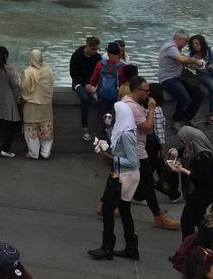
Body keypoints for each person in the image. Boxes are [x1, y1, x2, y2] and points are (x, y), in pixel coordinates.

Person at [120, 74, 179, 229]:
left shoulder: (125, 101)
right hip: (137, 149)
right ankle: (158, 215)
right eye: (146, 91)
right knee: (146, 181)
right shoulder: (134, 107)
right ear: (137, 90)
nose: (148, 94)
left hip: (127, 148)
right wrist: (151, 109)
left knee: (120, 178)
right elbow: (147, 128)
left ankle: (105, 203)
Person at [88, 101, 140, 260]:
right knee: (124, 211)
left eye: (115, 113)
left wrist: (110, 157)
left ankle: (107, 246)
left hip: (122, 176)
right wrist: (108, 124)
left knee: (108, 209)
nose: (113, 116)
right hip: (124, 175)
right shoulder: (125, 130)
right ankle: (131, 248)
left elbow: (133, 161)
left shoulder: (125, 135)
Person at [173, 126, 213, 237]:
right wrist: (174, 152)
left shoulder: (203, 156)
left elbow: (204, 179)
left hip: (202, 194)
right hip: (197, 193)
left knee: (186, 222)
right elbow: (184, 152)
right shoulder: (194, 149)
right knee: (200, 221)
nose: (182, 144)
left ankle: (187, 249)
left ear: (190, 140)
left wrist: (183, 170)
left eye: (183, 141)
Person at [159, 30, 204, 128]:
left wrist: (191, 61)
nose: (187, 44)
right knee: (184, 97)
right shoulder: (171, 47)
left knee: (200, 94)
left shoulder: (176, 49)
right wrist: (195, 61)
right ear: (179, 40)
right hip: (169, 79)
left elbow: (182, 59)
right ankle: (176, 119)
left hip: (179, 77)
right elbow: (181, 59)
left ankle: (188, 117)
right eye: (186, 41)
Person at [19, 48, 54, 159]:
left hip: (32, 105)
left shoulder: (28, 72)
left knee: (31, 131)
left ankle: (33, 153)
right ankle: (45, 152)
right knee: (46, 129)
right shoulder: (48, 71)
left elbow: (23, 88)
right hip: (46, 105)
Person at [70, 36, 101, 140]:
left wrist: (93, 84)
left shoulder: (97, 57)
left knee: (101, 98)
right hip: (78, 82)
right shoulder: (76, 56)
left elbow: (99, 73)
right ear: (87, 46)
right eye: (93, 49)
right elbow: (73, 74)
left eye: (96, 49)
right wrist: (85, 84)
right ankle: (85, 128)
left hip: (92, 83)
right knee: (85, 99)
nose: (95, 51)